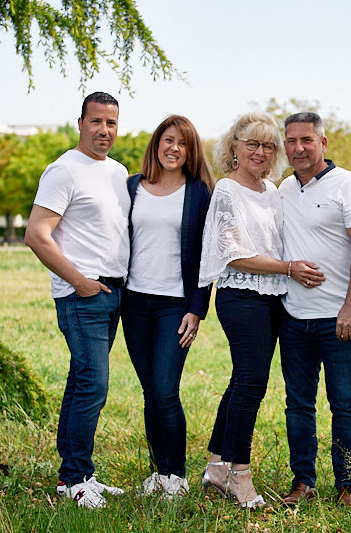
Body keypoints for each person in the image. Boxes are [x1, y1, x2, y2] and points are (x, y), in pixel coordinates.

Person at [197, 112, 324, 508]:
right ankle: (240, 474)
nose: (260, 152)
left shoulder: (273, 190)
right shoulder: (226, 191)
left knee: (242, 381)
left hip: (274, 300)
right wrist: (288, 268)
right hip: (242, 297)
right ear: (233, 147)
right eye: (252, 143)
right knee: (252, 385)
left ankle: (217, 466)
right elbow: (234, 255)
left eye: (268, 145)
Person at [24, 92, 129, 509]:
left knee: (82, 382)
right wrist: (79, 281)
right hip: (82, 293)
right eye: (97, 121)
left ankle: (76, 475)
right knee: (93, 385)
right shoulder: (63, 170)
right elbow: (36, 234)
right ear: (80, 123)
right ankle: (77, 479)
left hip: (113, 292)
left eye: (112, 123)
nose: (104, 130)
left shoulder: (118, 172)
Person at [278, 112, 351, 507]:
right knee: (298, 402)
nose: (298, 148)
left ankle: (348, 484)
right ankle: (303, 481)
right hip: (293, 316)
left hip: (340, 318)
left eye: (306, 140)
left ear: (323, 142)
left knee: (344, 402)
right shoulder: (282, 188)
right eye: (291, 141)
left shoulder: (348, 186)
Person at [120, 115, 215, 499]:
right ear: (156, 143)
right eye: (168, 140)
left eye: (183, 143)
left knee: (164, 390)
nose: (174, 148)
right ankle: (159, 475)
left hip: (175, 305)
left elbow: (209, 255)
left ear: (191, 151)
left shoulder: (199, 192)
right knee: (149, 392)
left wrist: (197, 308)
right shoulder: (131, 187)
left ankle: (177, 476)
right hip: (133, 302)